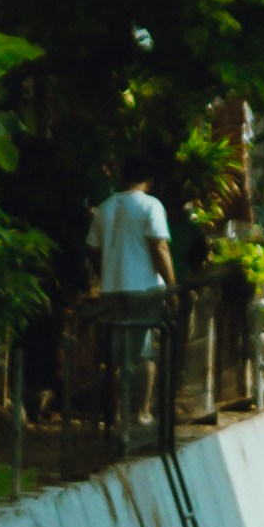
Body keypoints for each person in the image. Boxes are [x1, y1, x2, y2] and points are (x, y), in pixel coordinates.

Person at [89, 170, 177, 445]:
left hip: (112, 288)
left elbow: (92, 248)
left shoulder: (104, 208)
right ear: (148, 181)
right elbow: (159, 246)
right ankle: (141, 412)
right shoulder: (151, 205)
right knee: (144, 352)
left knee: (116, 355)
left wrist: (105, 271)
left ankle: (116, 415)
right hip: (144, 289)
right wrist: (173, 287)